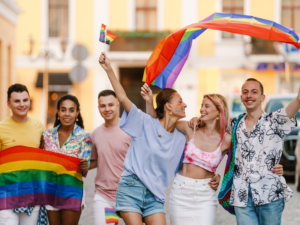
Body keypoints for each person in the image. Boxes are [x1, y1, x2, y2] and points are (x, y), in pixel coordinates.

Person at [142, 84, 284, 225]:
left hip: (205, 194)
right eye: (202, 105)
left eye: (207, 106)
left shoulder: (227, 139)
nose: (202, 109)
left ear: (218, 112)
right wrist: (149, 101)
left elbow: (248, 156)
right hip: (181, 192)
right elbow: (159, 122)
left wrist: (274, 166)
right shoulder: (190, 128)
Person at [99, 52, 188, 225]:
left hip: (155, 196)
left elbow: (188, 166)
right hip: (131, 188)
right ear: (168, 106)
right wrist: (109, 68)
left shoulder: (181, 139)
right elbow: (123, 98)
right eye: (180, 101)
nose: (185, 105)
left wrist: (211, 176)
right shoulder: (144, 123)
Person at [227, 78, 298, 225]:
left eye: (254, 92)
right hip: (242, 195)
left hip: (270, 193)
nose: (249, 95)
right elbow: (218, 147)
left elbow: (297, 101)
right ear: (241, 98)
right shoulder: (234, 124)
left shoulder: (275, 120)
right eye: (245, 92)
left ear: (262, 97)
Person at [39, 95, 92, 225]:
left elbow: (84, 172)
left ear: (77, 113)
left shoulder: (84, 137)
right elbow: (40, 163)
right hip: (50, 190)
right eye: (63, 110)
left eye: (71, 110)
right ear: (58, 112)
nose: (67, 114)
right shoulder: (46, 135)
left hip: (72, 190)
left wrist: (84, 166)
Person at [0, 84, 46, 225]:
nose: (22, 104)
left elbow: (45, 159)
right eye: (17, 101)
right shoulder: (1, 128)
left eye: (25, 100)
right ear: (8, 103)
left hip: (32, 193)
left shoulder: (39, 126)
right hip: (6, 193)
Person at [89, 90, 131, 225]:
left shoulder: (129, 130)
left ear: (118, 105)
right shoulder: (95, 134)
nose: (107, 109)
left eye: (110, 105)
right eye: (103, 106)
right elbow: (95, 161)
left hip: (127, 196)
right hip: (103, 196)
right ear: (98, 108)